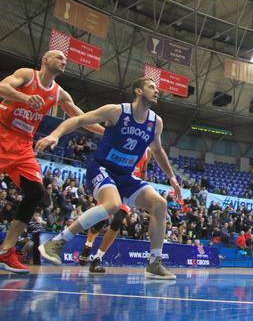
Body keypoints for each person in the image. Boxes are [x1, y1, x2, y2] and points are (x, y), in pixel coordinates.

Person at [36, 77, 182, 279]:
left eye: (157, 88)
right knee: (112, 205)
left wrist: (172, 178)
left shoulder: (156, 122)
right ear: (138, 91)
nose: (157, 91)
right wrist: (56, 134)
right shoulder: (117, 111)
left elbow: (157, 150)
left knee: (160, 203)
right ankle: (57, 242)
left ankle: (154, 264)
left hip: (124, 175)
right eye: (151, 87)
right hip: (101, 168)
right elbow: (79, 120)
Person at [0, 50, 103, 274]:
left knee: (37, 194)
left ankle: (6, 251)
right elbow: (2, 87)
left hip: (23, 146)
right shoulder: (27, 75)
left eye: (65, 60)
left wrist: (110, 133)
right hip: (2, 131)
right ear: (45, 60)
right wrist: (25, 98)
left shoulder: (59, 94)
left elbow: (82, 119)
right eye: (59, 57)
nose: (64, 61)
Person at [78, 148, 152, 273]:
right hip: (113, 184)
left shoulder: (149, 151)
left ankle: (97, 259)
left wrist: (142, 188)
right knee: (100, 220)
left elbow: (143, 170)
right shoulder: (128, 142)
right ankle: (88, 244)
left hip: (128, 188)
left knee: (118, 221)